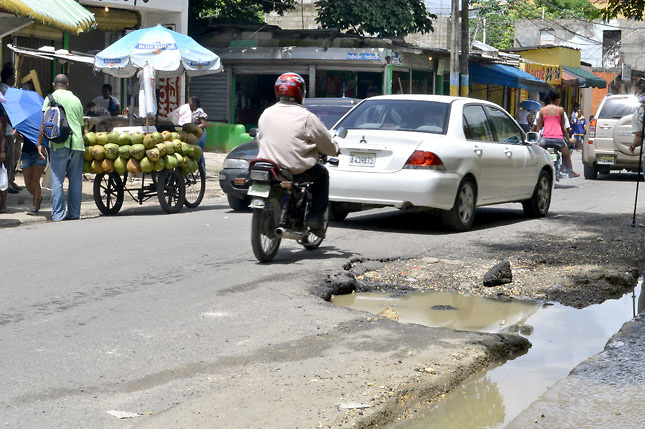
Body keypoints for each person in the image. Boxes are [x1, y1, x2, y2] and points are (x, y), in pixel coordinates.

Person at [257, 72, 339, 237]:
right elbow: (326, 142)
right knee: (322, 174)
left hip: (267, 166)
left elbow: (260, 138)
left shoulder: (266, 113)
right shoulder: (306, 117)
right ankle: (315, 218)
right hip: (293, 169)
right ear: (300, 92)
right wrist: (335, 149)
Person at [37, 74, 84, 221]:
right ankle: (74, 213)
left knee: (57, 179)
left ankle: (58, 214)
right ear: (67, 84)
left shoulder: (51, 99)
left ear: (53, 84)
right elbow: (81, 126)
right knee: (75, 180)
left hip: (59, 143)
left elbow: (44, 124)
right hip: (77, 143)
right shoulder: (77, 100)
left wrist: (40, 143)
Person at [536, 90, 579, 178]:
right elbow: (563, 127)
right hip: (558, 139)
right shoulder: (560, 110)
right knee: (567, 155)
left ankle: (536, 170)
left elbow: (539, 127)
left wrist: (536, 139)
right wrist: (568, 139)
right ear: (557, 100)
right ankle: (571, 171)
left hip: (545, 139)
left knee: (538, 154)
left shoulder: (542, 110)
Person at [0, 62, 20, 194]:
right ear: (9, 77)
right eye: (14, 75)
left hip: (9, 129)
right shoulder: (6, 90)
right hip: (6, 130)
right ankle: (7, 184)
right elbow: (8, 111)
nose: (15, 78)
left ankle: (10, 181)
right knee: (8, 158)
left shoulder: (6, 89)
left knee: (13, 157)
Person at [17, 132, 46, 215]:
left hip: (40, 154)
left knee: (35, 180)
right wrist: (17, 135)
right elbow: (22, 140)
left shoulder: (43, 124)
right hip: (26, 153)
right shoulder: (25, 124)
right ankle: (38, 197)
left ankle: (35, 205)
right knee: (28, 184)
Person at [187, 96, 207, 169]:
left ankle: (202, 171)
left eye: (189, 102)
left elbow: (203, 124)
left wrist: (194, 127)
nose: (188, 104)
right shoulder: (191, 111)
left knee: (199, 153)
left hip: (200, 135)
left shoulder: (199, 111)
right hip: (193, 135)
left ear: (194, 103)